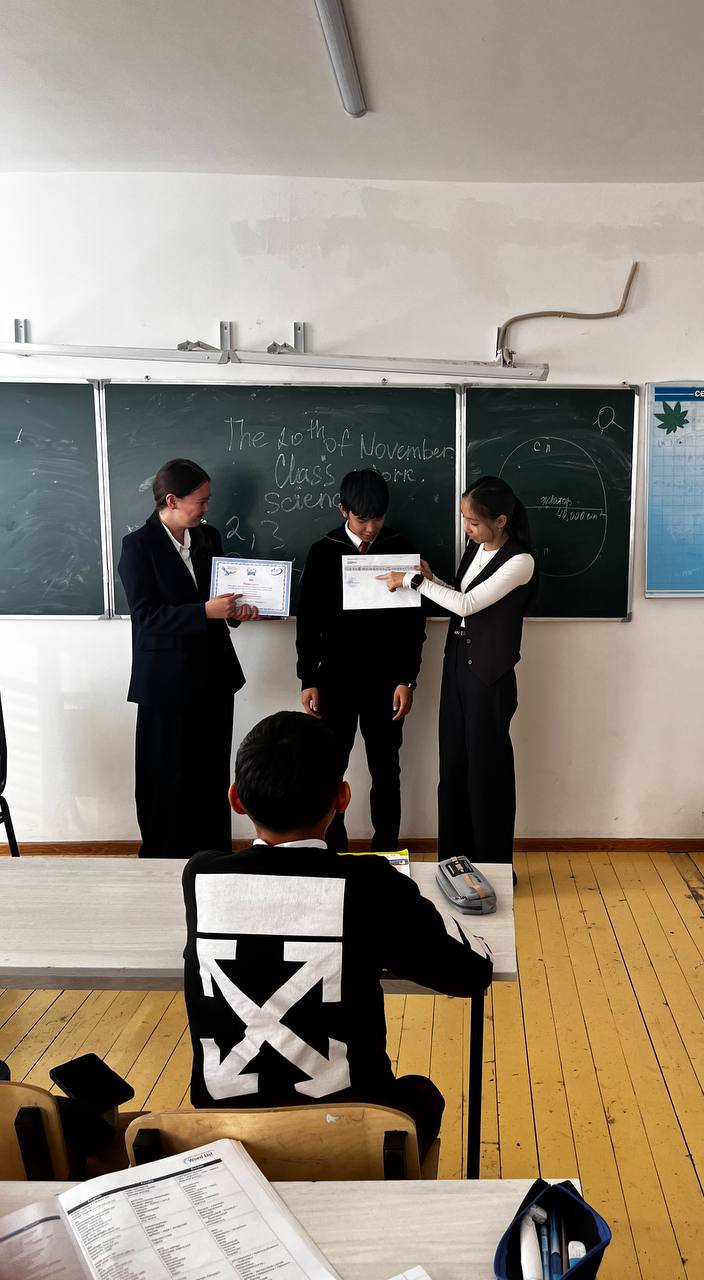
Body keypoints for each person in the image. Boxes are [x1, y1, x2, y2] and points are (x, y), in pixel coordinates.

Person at [181, 711, 492, 1159]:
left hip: (229, 1141)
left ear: (236, 799)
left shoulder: (200, 875)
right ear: (343, 797)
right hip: (353, 1144)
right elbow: (471, 973)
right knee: (421, 1094)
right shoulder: (371, 884)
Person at [382, 475, 537, 866]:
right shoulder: (476, 547)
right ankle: (453, 861)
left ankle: (492, 865)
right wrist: (433, 580)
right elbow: (460, 594)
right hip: (456, 665)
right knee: (452, 766)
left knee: (487, 770)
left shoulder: (520, 561)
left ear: (500, 520)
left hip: (489, 674)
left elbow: (468, 605)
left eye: (474, 522)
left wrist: (415, 582)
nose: (467, 528)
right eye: (465, 519)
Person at [118, 458, 257, 858]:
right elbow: (146, 617)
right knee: (165, 774)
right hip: (165, 682)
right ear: (172, 500)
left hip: (214, 677)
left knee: (211, 771)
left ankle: (213, 855)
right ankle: (162, 855)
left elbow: (221, 601)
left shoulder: (209, 538)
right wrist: (204, 612)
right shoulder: (137, 546)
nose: (207, 508)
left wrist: (236, 612)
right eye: (202, 500)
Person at [296, 469, 426, 853]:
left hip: (386, 682)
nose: (371, 528)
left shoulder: (401, 549)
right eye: (362, 519)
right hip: (334, 681)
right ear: (343, 510)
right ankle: (333, 846)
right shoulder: (323, 551)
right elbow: (308, 624)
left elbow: (414, 625)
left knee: (385, 767)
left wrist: (407, 679)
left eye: (378, 518)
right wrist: (308, 679)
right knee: (330, 767)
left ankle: (387, 847)